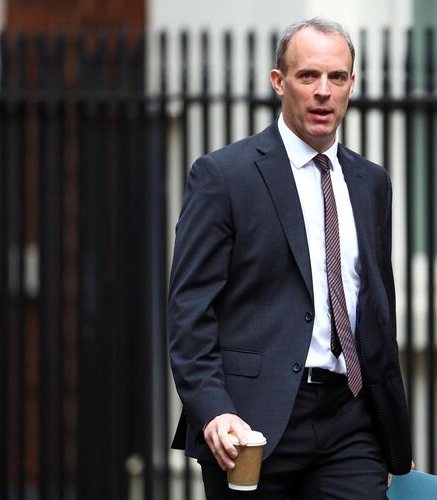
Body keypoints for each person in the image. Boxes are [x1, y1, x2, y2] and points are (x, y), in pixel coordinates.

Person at [168, 18, 412, 499]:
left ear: (351, 85)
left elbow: (379, 318)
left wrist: (394, 439)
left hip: (351, 420)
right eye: (308, 76)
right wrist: (214, 410)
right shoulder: (224, 176)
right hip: (251, 426)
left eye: (336, 77)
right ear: (279, 82)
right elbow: (190, 311)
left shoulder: (372, 183)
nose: (323, 91)